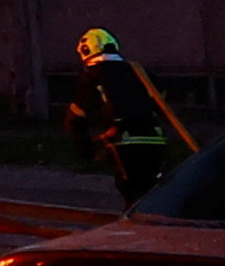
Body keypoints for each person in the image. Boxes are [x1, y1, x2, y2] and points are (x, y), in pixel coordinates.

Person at [56, 28, 191, 206]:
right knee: (154, 192)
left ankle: (146, 231)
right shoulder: (140, 72)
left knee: (135, 198)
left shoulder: (92, 78)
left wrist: (87, 150)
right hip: (156, 142)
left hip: (125, 146)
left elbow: (74, 120)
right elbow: (161, 102)